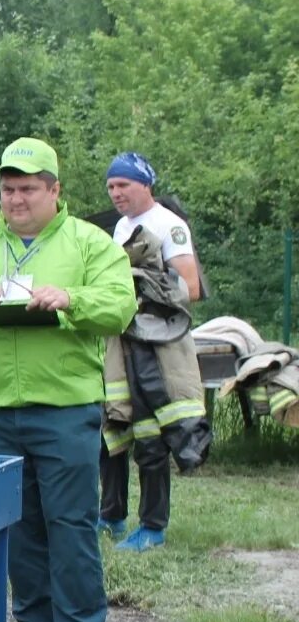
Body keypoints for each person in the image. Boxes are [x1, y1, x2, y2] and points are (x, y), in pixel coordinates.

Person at [0, 138, 135, 622]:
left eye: (26, 188)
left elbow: (119, 306)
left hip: (64, 407)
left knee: (70, 521)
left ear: (54, 190)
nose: (15, 199)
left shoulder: (90, 243)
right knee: (15, 523)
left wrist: (71, 299)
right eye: (7, 189)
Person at [99, 152, 206, 551]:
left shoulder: (168, 225)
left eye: (123, 185)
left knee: (151, 435)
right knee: (113, 428)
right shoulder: (122, 227)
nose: (115, 193)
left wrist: (138, 280)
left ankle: (152, 526)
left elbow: (189, 288)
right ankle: (110, 515)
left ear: (146, 185)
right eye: (111, 186)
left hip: (156, 346)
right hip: (120, 341)